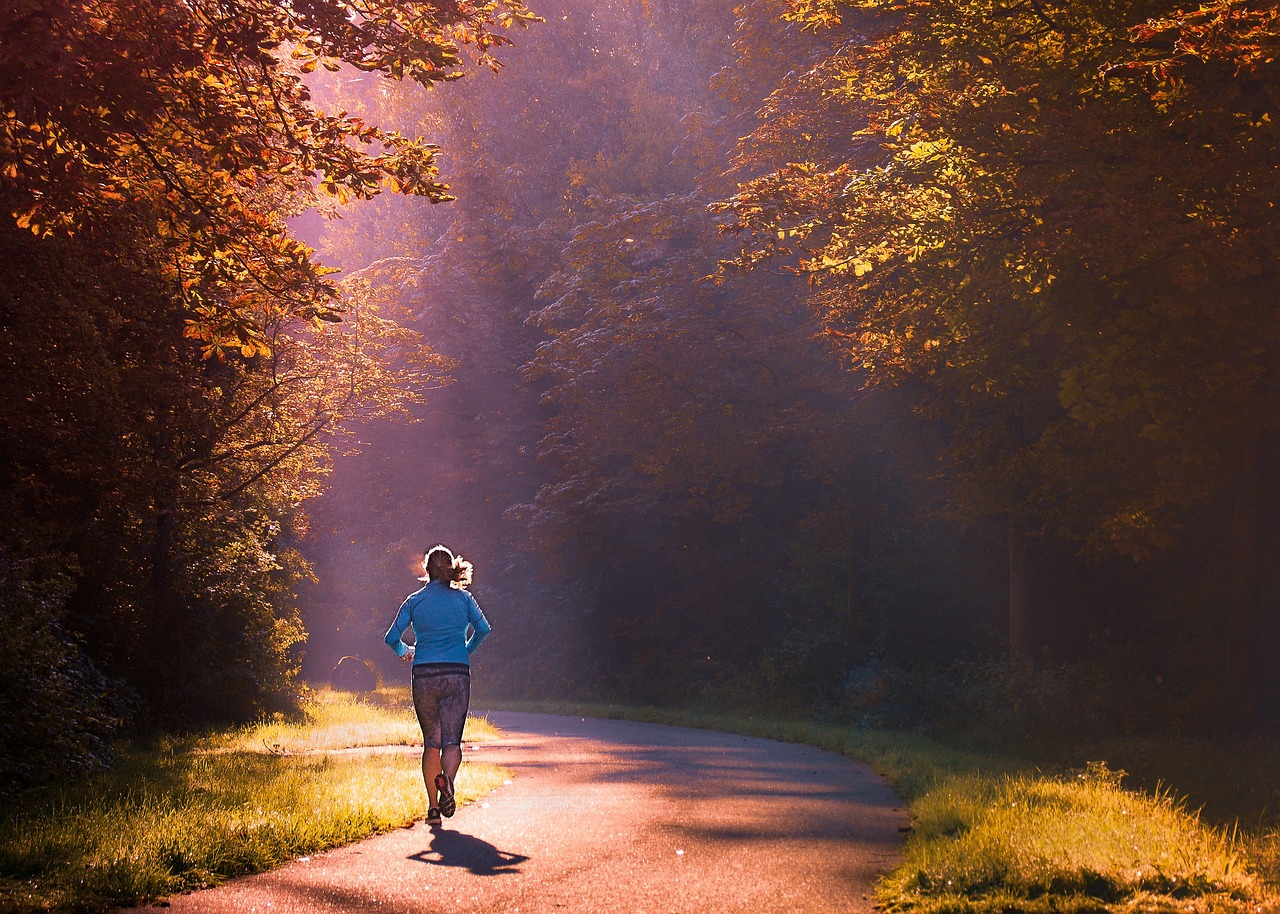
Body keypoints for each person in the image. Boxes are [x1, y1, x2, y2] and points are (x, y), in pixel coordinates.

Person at [384, 544, 491, 827]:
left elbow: (391, 637)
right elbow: (484, 629)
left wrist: (405, 650)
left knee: (432, 742)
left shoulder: (414, 601)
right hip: (457, 673)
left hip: (425, 674)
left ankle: (433, 810)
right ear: (450, 569)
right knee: (452, 741)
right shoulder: (465, 600)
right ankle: (448, 782)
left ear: (426, 569)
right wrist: (466, 648)